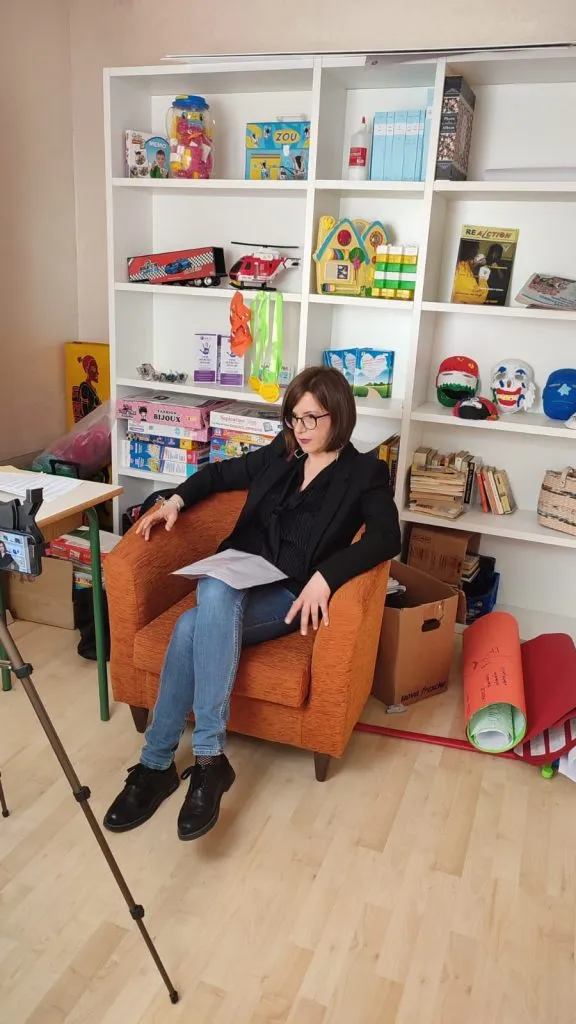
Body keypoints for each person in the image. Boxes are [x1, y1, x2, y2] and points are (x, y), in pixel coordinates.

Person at [104, 367, 401, 841]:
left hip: (288, 592)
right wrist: (175, 501)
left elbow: (386, 538)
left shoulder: (365, 473)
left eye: (312, 418)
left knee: (200, 610)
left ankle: (169, 763)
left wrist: (327, 576)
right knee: (203, 606)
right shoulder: (283, 452)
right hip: (241, 570)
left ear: (339, 415)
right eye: (294, 418)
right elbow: (217, 474)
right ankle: (192, 762)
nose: (301, 429)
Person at [451, 238, 489, 305]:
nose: (477, 251)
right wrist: (484, 274)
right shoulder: (460, 271)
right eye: (476, 248)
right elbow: (479, 298)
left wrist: (475, 264)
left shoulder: (461, 263)